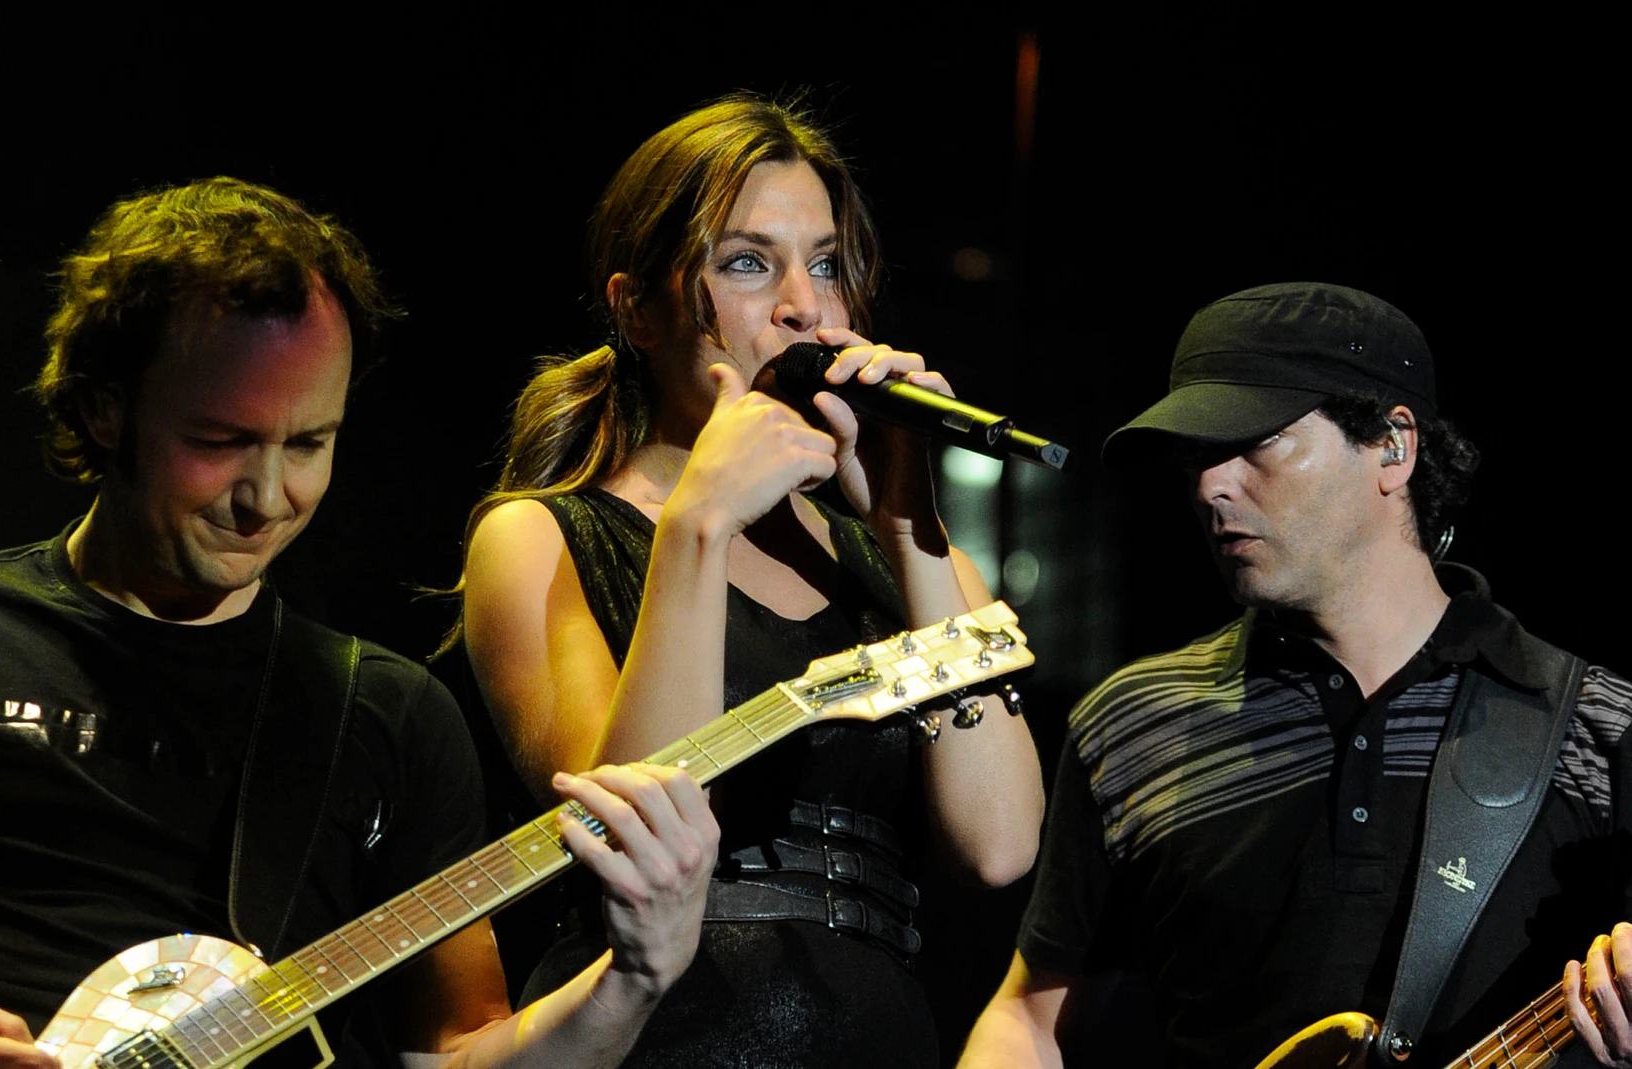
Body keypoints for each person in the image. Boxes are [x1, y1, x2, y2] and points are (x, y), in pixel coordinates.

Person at [0, 177, 718, 1069]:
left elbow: (461, 1053)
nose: (267, 495)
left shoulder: (384, 714)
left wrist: (631, 978)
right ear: (101, 410)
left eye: (309, 444)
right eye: (220, 441)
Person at [452, 95, 1044, 1068]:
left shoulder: (906, 557)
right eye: (745, 263)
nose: (801, 306)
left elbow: (999, 843)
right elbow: (633, 834)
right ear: (635, 306)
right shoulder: (542, 538)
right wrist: (698, 524)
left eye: (823, 264)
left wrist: (906, 528)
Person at [957, 282, 1632, 1069]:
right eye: (1197, 457)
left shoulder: (1596, 726)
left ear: (1392, 445)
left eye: (1256, 442)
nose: (1212, 486)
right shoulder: (1135, 722)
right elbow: (1031, 1020)